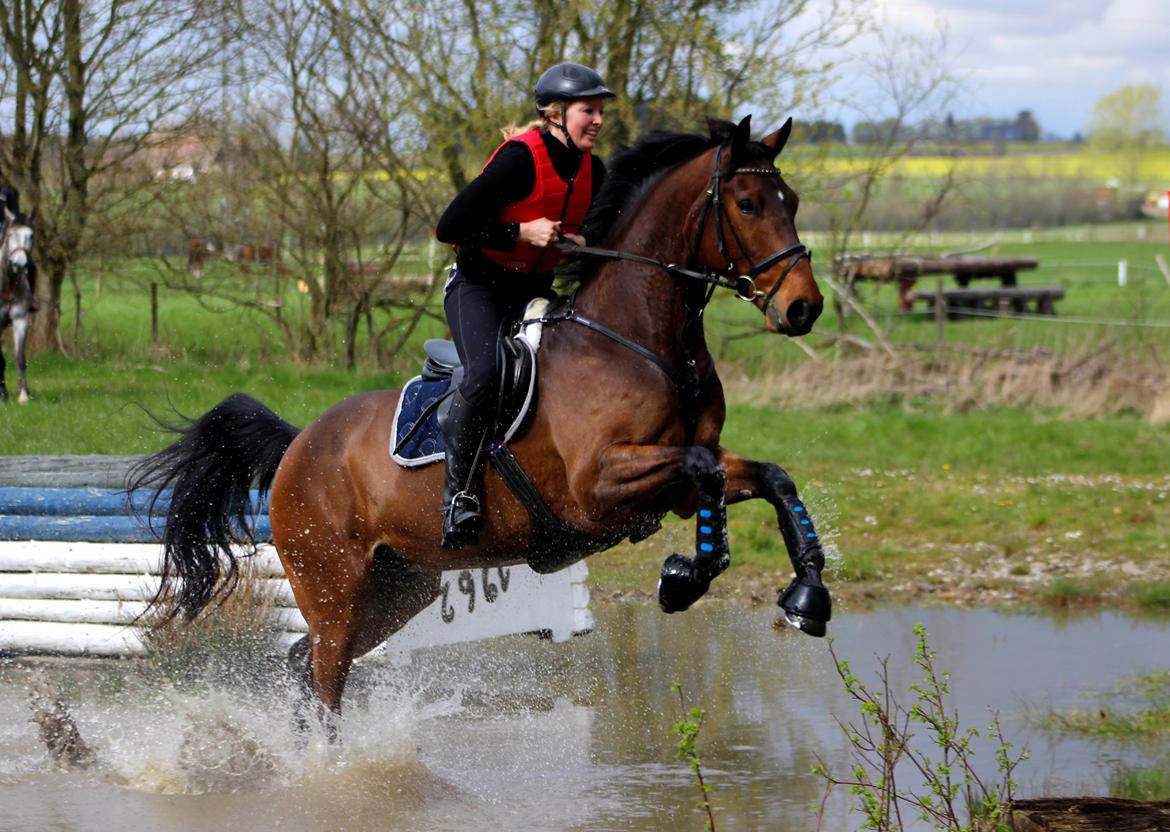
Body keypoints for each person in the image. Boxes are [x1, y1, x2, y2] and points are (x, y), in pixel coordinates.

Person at [434, 62, 614, 549]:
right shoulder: (519, 160)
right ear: (556, 114)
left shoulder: (594, 170)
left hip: (533, 293)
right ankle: (458, 497)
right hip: (477, 288)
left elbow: (605, 230)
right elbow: (449, 227)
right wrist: (518, 232)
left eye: (600, 111)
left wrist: (585, 240)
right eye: (588, 111)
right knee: (486, 373)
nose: (598, 120)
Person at [0, 184, 38, 312]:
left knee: (30, 264)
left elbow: (15, 216)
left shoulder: (7, 192)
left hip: (5, 230)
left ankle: (31, 298)